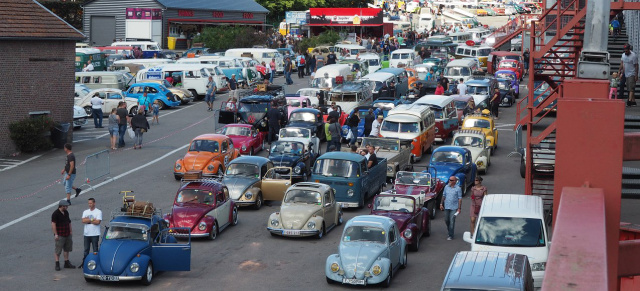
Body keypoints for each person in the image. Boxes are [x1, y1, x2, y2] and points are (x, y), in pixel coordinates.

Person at [52, 199, 75, 271]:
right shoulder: (55, 214)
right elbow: (53, 224)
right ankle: (57, 263)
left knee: (67, 249)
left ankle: (66, 262)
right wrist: (56, 234)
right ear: (61, 206)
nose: (67, 207)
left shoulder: (66, 212)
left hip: (67, 233)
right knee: (58, 250)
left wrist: (70, 231)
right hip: (60, 234)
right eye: (65, 206)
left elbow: (69, 222)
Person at [80, 198, 102, 268]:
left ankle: (96, 263)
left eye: (91, 203)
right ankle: (85, 263)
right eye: (89, 203)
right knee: (86, 250)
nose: (89, 205)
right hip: (87, 234)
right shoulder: (85, 212)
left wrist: (88, 220)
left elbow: (98, 222)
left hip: (95, 234)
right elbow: (83, 221)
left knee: (95, 249)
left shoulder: (98, 212)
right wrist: (92, 219)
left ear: (94, 203)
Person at [440, 176, 462, 240]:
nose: (449, 181)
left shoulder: (458, 188)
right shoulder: (446, 187)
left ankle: (451, 235)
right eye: (449, 180)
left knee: (452, 221)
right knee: (446, 220)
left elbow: (460, 199)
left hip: (454, 207)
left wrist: (459, 208)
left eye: (451, 180)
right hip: (447, 206)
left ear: (455, 181)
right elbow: (443, 196)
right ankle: (449, 230)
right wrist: (441, 204)